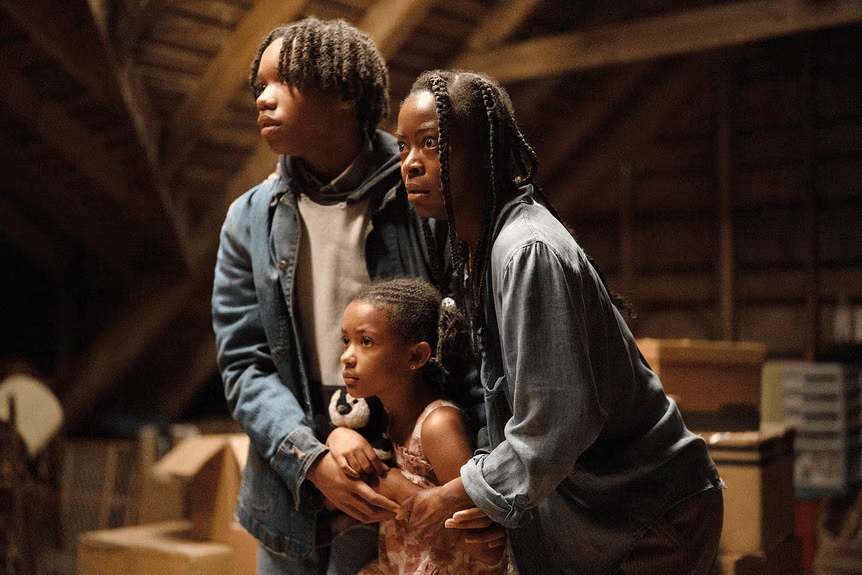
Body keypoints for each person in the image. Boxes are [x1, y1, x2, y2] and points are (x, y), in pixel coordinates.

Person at [393, 69, 726, 575]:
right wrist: (489, 505)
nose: (411, 163)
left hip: (649, 516)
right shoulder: (483, 250)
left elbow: (555, 424)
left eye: (431, 143)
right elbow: (507, 402)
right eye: (403, 147)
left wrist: (457, 496)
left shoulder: (525, 250)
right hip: (604, 519)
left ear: (483, 152)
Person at [211, 19, 446, 575]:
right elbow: (244, 365)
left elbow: (457, 351)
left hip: (400, 493)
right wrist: (311, 459)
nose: (263, 98)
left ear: (345, 91)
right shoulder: (249, 219)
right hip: (288, 499)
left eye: (283, 81)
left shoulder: (422, 199)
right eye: (259, 86)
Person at [330, 277, 506, 575]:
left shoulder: (438, 425)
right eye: (346, 340)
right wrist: (337, 435)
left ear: (416, 356)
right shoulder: (377, 415)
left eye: (366, 341)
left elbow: (488, 550)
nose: (347, 356)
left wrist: (397, 488)